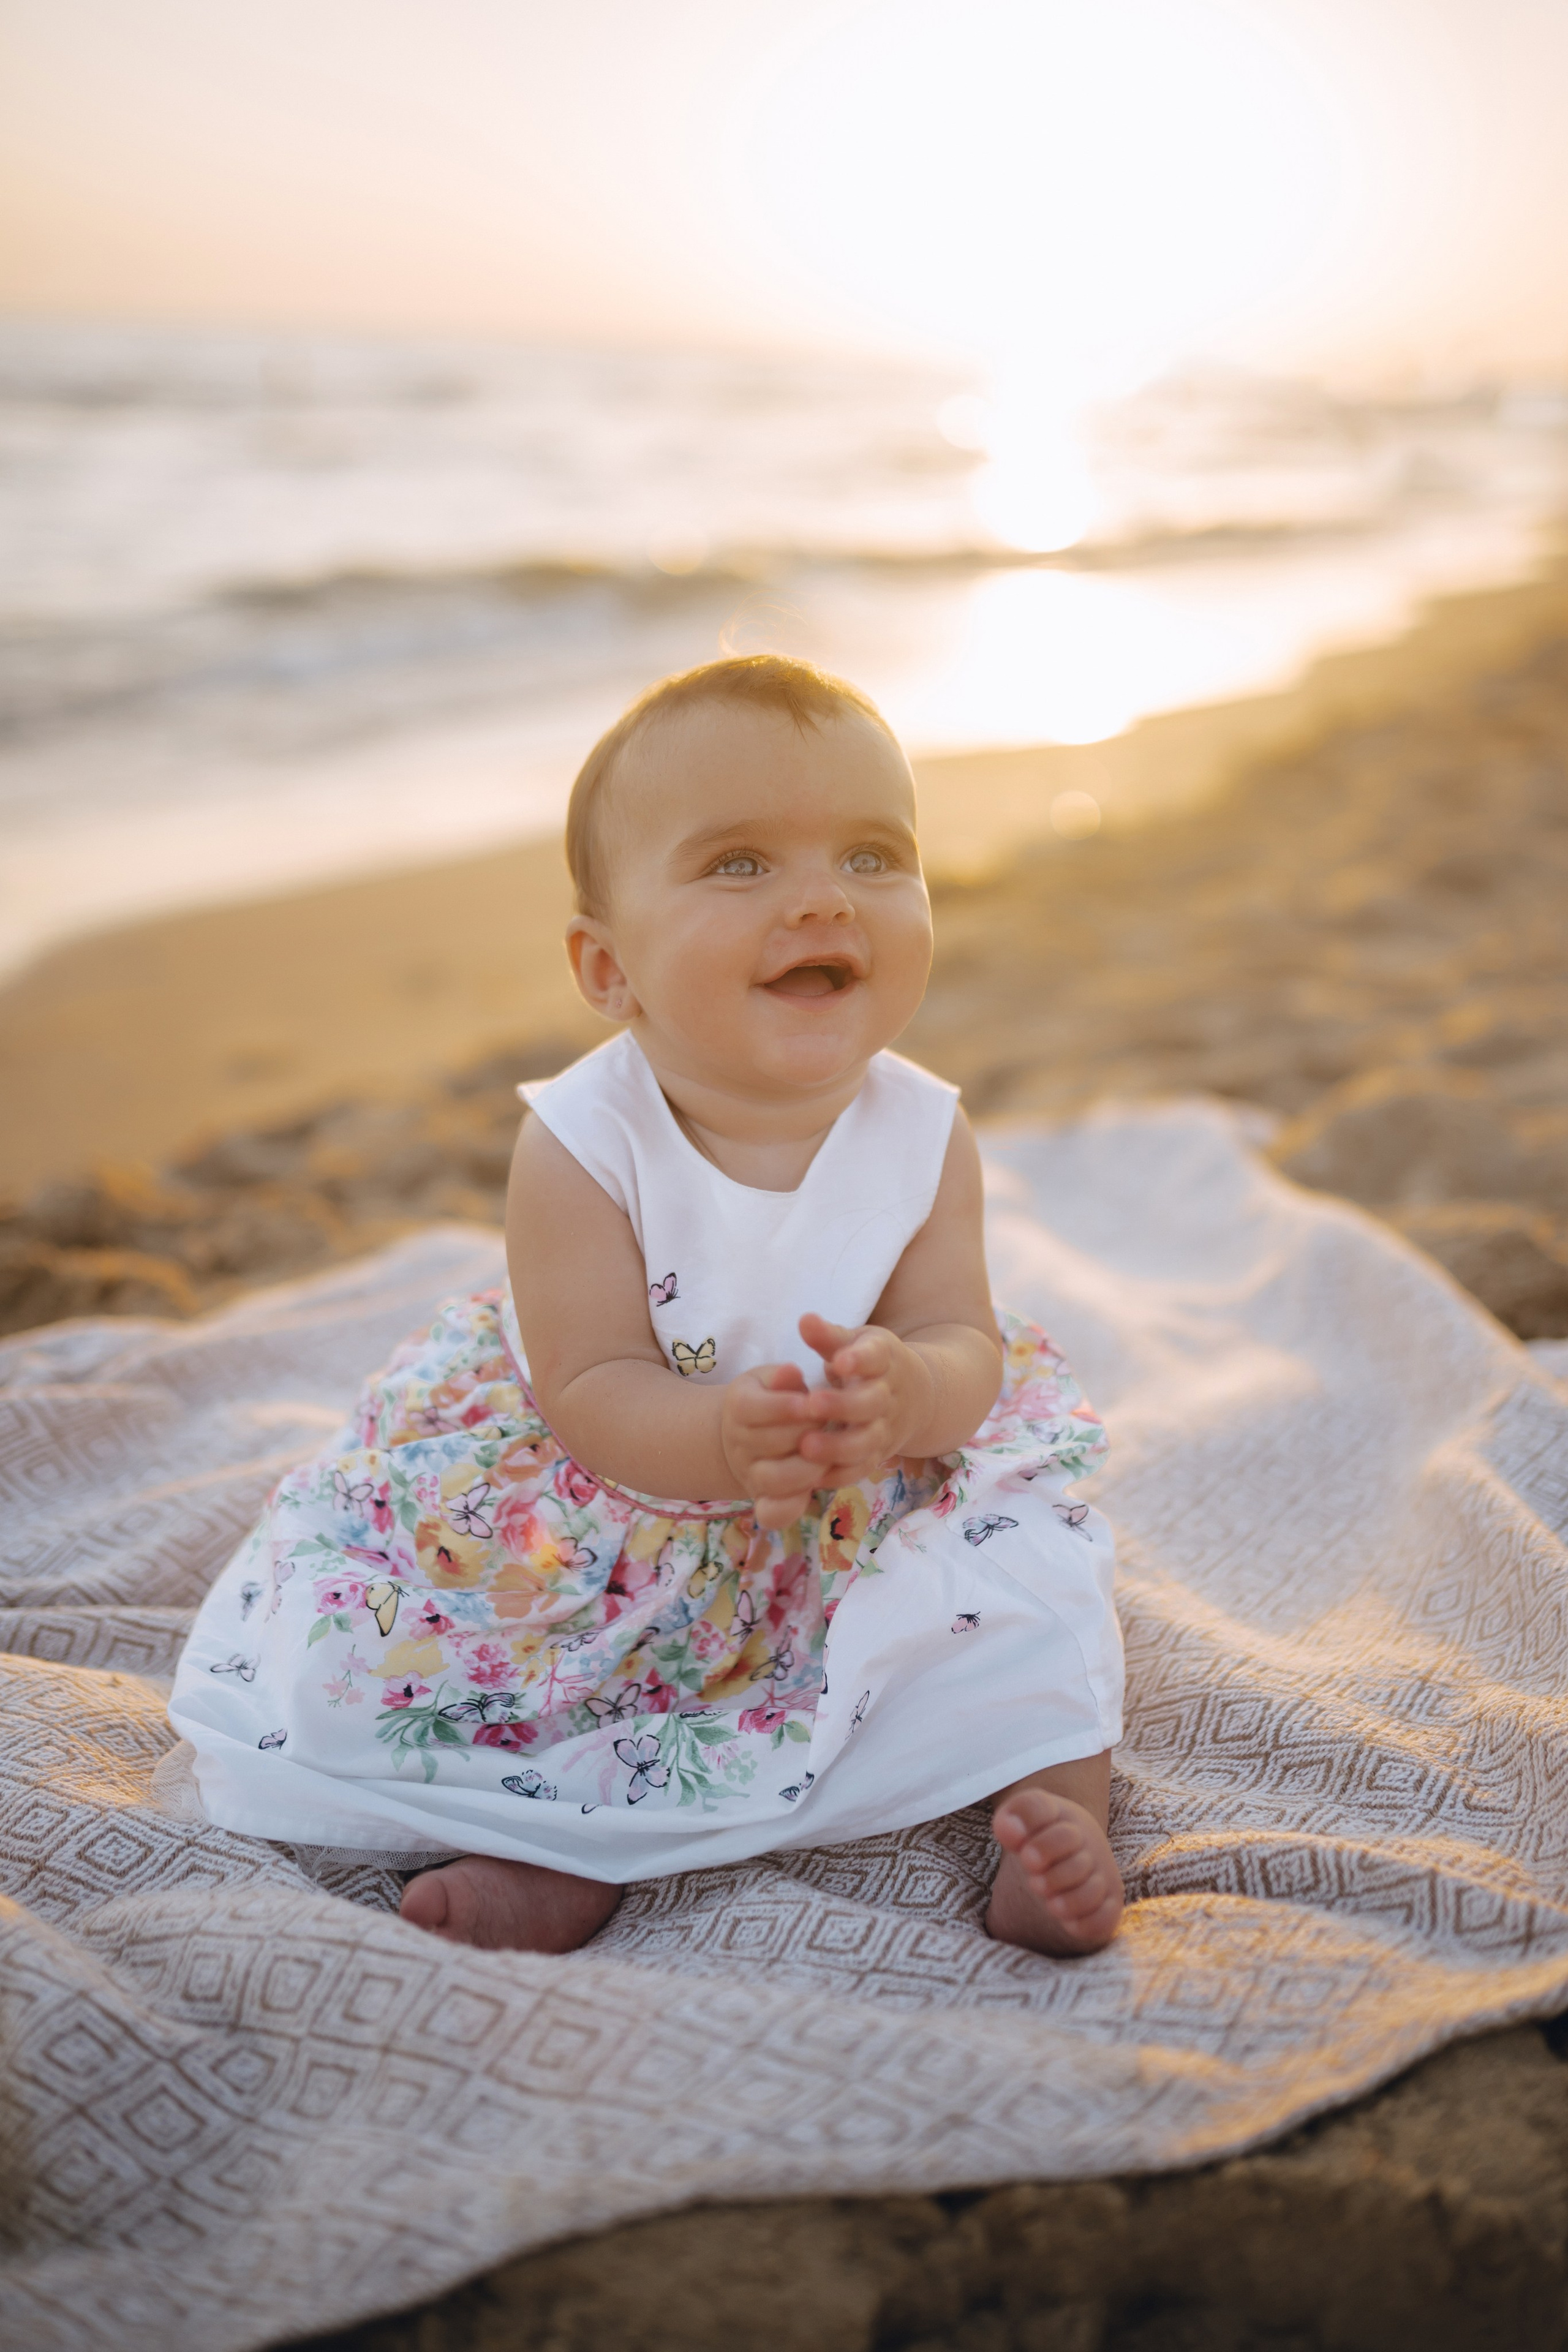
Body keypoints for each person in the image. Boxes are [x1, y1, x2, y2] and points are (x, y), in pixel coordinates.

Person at [169, 656, 1125, 1958]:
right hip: (618, 1502)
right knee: (508, 1658)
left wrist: (908, 1394)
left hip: (851, 1497)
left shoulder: (920, 1130)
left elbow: (968, 1339)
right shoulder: (580, 1142)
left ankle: (1049, 1809)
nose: (816, 900)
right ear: (606, 968)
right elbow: (589, 1383)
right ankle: (552, 1852)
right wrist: (717, 1445)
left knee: (1036, 1575)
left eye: (869, 855)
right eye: (739, 865)